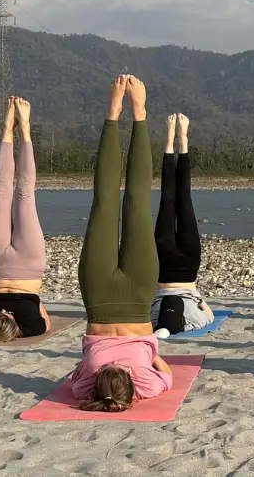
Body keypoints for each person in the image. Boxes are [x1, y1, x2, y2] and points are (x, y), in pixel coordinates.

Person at [67, 75, 174, 413]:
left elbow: (165, 372)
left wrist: (145, 359)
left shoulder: (144, 385)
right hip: (98, 297)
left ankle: (138, 114)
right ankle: (114, 113)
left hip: (139, 298)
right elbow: (76, 377)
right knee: (105, 203)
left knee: (137, 203)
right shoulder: (85, 386)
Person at [0, 96, 53, 342]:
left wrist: (33, 304)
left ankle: (17, 129)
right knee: (8, 193)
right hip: (3, 265)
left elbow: (45, 319)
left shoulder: (30, 327)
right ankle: (16, 129)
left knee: (19, 194)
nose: (4, 311)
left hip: (22, 268)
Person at [150, 113, 216, 335]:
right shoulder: (154, 319)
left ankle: (181, 142)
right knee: (169, 200)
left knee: (183, 200)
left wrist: (198, 302)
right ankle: (172, 142)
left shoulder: (193, 322)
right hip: (164, 266)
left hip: (188, 267)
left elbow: (209, 315)